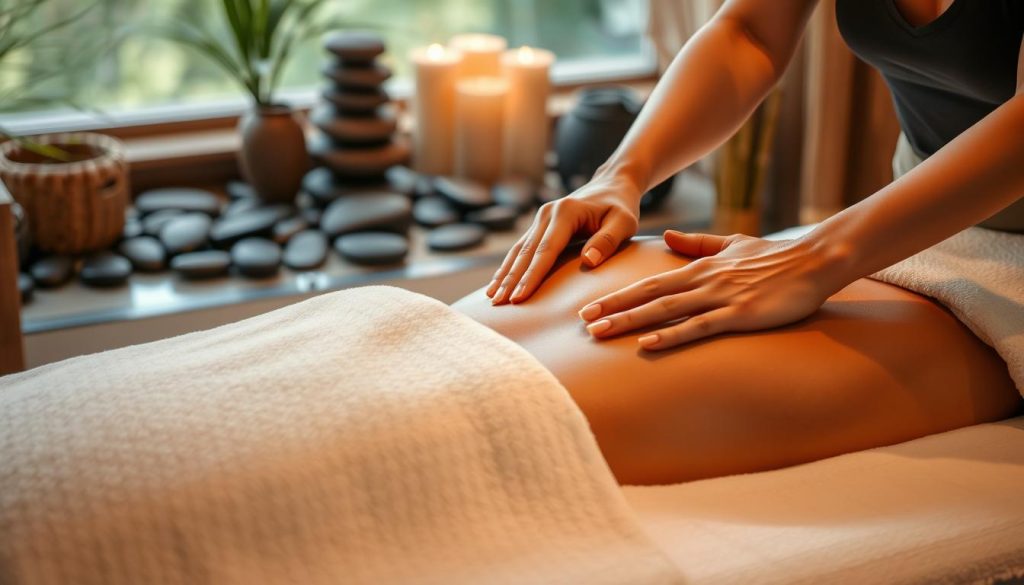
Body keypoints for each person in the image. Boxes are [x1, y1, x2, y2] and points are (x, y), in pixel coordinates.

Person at [452, 0, 1024, 485]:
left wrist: (816, 256)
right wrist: (621, 174)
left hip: (1003, 263)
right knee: (487, 354)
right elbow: (748, 32)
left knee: (530, 417)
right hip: (913, 217)